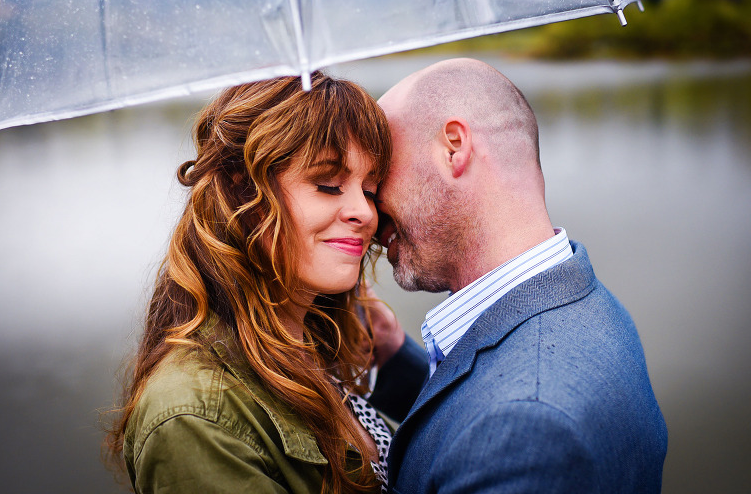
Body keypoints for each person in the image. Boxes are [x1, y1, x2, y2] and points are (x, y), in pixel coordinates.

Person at [105, 73, 427, 494]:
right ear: (243, 194)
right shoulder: (194, 416)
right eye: (328, 184)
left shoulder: (314, 347)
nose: (364, 213)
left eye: (369, 189)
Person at [374, 58, 668, 493]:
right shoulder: (583, 299)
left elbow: (508, 417)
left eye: (380, 171)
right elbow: (491, 397)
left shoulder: (529, 430)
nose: (369, 208)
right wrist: (391, 358)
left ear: (454, 147)